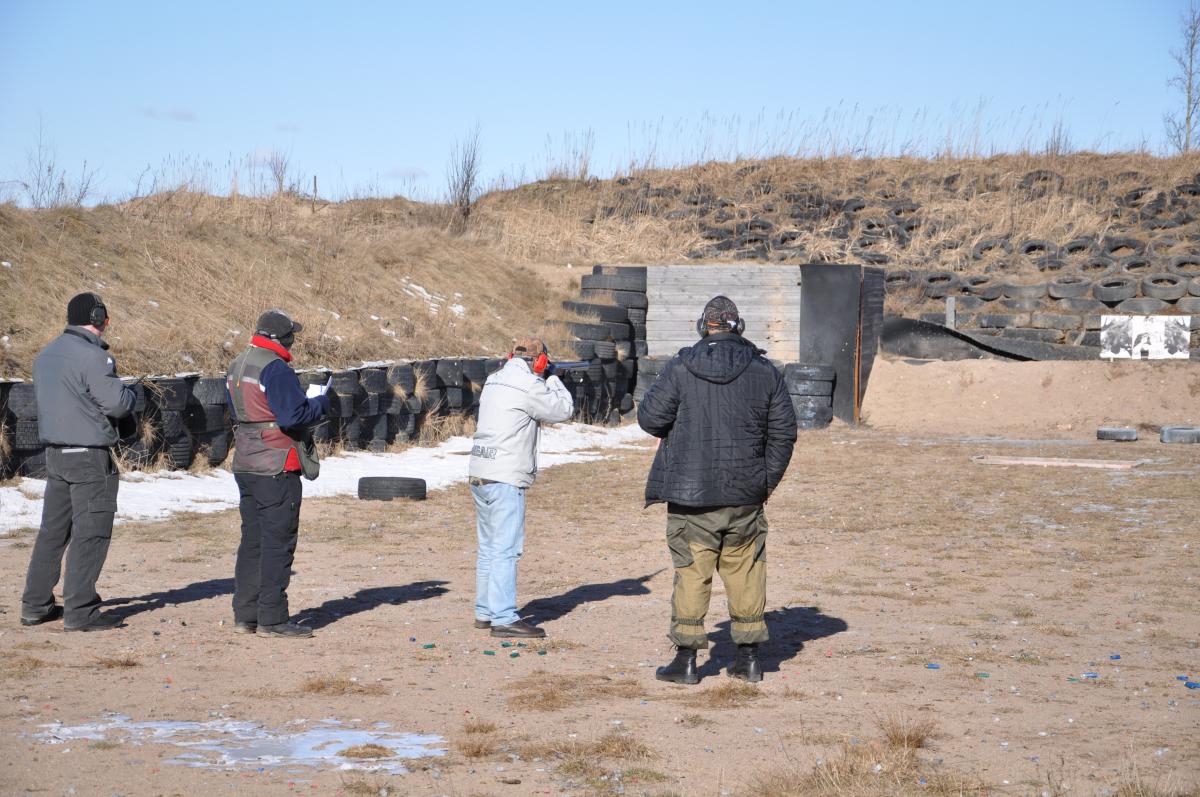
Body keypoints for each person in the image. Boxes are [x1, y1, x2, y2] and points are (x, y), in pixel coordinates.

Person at [637, 296, 797, 684]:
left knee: (692, 573)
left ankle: (687, 661)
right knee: (747, 571)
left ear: (702, 326)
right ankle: (749, 659)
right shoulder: (766, 371)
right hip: (745, 498)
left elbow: (650, 418)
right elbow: (784, 434)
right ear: (738, 327)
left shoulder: (680, 366)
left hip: (691, 497)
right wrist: (765, 482)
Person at [20, 292, 136, 632]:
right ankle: (81, 611)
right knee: (91, 532)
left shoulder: (46, 355)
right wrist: (132, 394)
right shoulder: (94, 357)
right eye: (105, 317)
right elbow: (116, 404)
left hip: (55, 455)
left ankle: (35, 605)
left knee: (53, 532)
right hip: (88, 457)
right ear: (98, 318)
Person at [227, 309, 330, 638]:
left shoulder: (238, 363)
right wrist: (321, 403)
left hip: (246, 461)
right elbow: (292, 416)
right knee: (277, 542)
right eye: (291, 335)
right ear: (281, 338)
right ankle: (272, 619)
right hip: (276, 463)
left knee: (252, 541)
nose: (293, 340)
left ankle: (246, 615)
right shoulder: (275, 368)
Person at [468, 337, 574, 638]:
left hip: (480, 471)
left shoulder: (494, 379)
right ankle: (503, 617)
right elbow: (563, 409)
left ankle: (485, 611)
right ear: (539, 361)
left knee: (489, 547)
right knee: (506, 550)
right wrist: (553, 378)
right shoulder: (529, 385)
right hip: (505, 476)